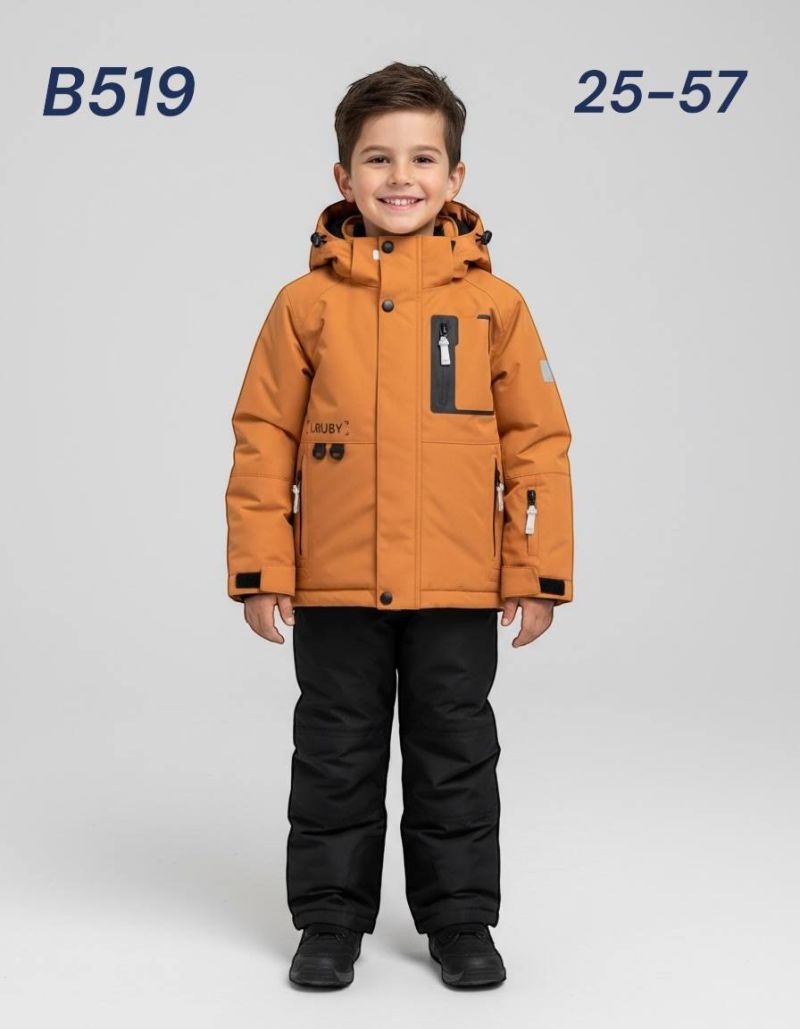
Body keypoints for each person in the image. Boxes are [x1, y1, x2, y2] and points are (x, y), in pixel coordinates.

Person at [224, 61, 574, 989]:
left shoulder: (495, 308)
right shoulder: (304, 307)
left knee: (455, 755)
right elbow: (263, 437)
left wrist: (534, 572)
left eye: (422, 158)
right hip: (335, 582)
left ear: (456, 177)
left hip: (457, 584)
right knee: (334, 754)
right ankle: (329, 919)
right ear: (344, 177)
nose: (400, 176)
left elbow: (537, 446)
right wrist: (263, 567)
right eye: (378, 158)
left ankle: (460, 920)